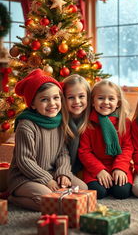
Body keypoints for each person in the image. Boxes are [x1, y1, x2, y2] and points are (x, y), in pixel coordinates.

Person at [7, 69, 87, 211]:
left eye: (56, 98)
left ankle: (51, 190)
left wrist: (63, 172)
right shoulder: (26, 125)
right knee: (50, 200)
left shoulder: (59, 122)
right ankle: (14, 198)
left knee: (82, 189)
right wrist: (46, 180)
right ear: (32, 104)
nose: (52, 104)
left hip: (51, 173)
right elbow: (24, 160)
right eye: (44, 99)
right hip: (24, 177)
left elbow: (63, 152)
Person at [78, 79, 134, 199]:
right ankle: (103, 180)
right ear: (93, 102)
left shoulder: (124, 122)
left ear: (118, 103)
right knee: (99, 192)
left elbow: (127, 148)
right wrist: (99, 170)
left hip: (119, 164)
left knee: (121, 192)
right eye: (101, 98)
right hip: (96, 167)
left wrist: (120, 168)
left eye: (111, 99)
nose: (106, 102)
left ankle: (116, 177)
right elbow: (84, 152)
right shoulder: (88, 124)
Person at [62, 74, 91, 176]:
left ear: (88, 97)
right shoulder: (60, 122)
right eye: (70, 97)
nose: (77, 101)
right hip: (63, 169)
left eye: (81, 96)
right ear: (63, 99)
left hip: (89, 169)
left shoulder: (92, 120)